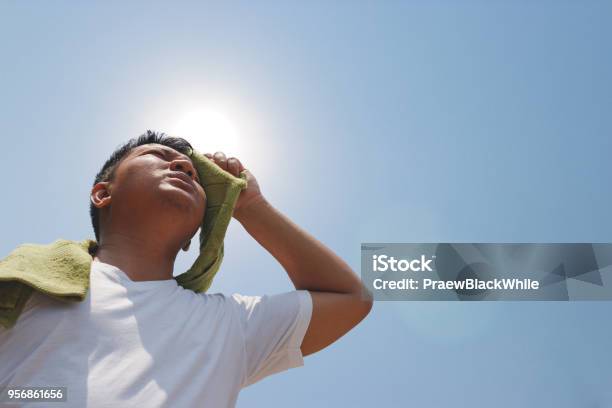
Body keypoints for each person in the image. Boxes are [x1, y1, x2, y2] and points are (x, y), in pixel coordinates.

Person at [0, 130, 372, 407]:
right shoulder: (26, 283)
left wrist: (251, 205)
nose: (181, 166)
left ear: (192, 236)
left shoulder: (228, 326)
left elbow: (350, 298)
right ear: (103, 194)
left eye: (195, 176)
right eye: (158, 156)